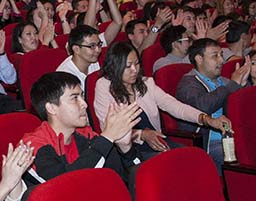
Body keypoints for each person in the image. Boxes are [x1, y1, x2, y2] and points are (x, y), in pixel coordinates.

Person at [92, 41, 233, 161]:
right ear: (116, 66)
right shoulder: (104, 86)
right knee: (171, 166)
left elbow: (174, 106)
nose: (135, 70)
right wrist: (142, 135)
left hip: (156, 141)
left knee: (194, 158)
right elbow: (108, 128)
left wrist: (207, 119)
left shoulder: (145, 83)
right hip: (125, 148)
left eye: (137, 64)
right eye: (128, 66)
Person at [22, 71, 143, 186]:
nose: (84, 104)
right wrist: (107, 137)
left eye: (82, 96)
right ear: (51, 108)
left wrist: (125, 147)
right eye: (75, 98)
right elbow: (65, 184)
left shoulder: (86, 135)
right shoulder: (33, 146)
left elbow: (123, 180)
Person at [175, 38, 249, 169]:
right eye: (215, 56)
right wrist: (233, 85)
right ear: (199, 59)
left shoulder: (223, 81)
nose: (221, 60)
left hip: (235, 136)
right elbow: (204, 106)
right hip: (210, 142)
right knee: (241, 155)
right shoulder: (188, 84)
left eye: (221, 55)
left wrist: (242, 87)